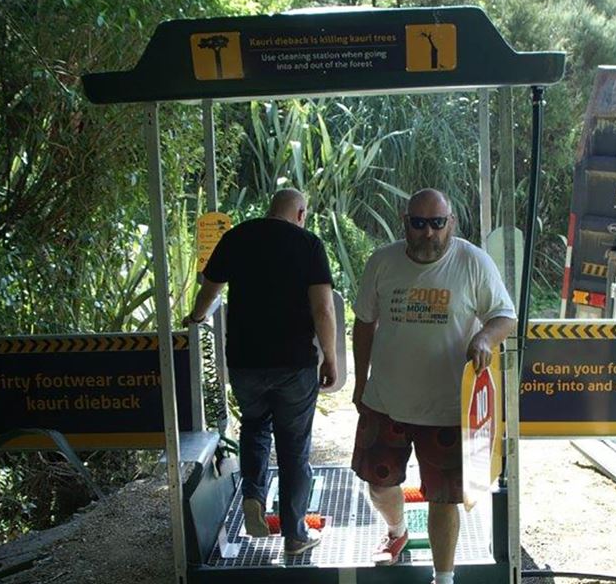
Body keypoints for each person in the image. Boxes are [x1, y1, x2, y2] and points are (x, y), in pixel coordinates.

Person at [351, 188, 517, 584]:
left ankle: (443, 578)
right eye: (419, 223)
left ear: (451, 224)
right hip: (387, 401)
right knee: (379, 483)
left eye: (437, 223)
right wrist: (360, 382)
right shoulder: (382, 262)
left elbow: (504, 315)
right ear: (404, 222)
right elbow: (363, 322)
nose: (429, 233)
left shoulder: (472, 262)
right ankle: (396, 532)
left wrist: (484, 339)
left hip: (448, 406)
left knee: (445, 497)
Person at [183, 189, 337, 556]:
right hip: (294, 363)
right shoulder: (308, 244)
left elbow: (210, 288)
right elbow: (324, 309)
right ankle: (295, 534)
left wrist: (197, 317)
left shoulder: (236, 237)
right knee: (294, 447)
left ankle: (253, 494)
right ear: (300, 214)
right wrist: (329, 356)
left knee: (254, 426)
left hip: (245, 361)